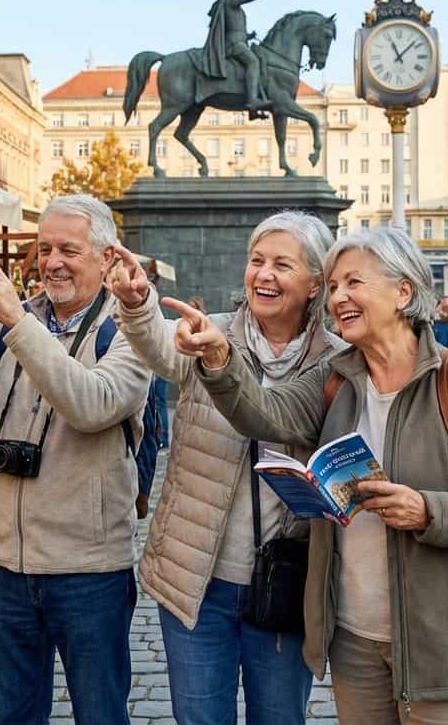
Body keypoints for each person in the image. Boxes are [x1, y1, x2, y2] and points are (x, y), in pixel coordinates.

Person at [164, 227, 448, 725]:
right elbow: (265, 413)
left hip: (446, 642)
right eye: (335, 286)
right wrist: (219, 359)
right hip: (355, 641)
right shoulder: (336, 377)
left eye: (354, 283)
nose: (338, 297)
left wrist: (428, 510)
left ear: (403, 292)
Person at [0, 194, 151, 723]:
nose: (52, 263)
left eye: (69, 250)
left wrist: (18, 320)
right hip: (6, 565)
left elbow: (92, 404)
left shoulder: (130, 330)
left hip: (88, 569)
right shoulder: (7, 323)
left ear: (107, 257)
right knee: (15, 715)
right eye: (44, 249)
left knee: (100, 714)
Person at [109, 212, 343, 725]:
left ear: (315, 283)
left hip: (287, 580)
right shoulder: (208, 332)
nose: (264, 274)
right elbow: (159, 346)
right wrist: (137, 303)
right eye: (257, 260)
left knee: (280, 719)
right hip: (198, 579)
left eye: (282, 264)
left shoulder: (339, 360)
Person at [202, 0, 287, 111]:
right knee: (253, 62)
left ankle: (256, 100)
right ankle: (252, 100)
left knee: (260, 60)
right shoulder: (230, 0)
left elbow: (233, 29)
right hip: (234, 44)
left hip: (239, 42)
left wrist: (248, 36)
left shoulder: (231, 4)